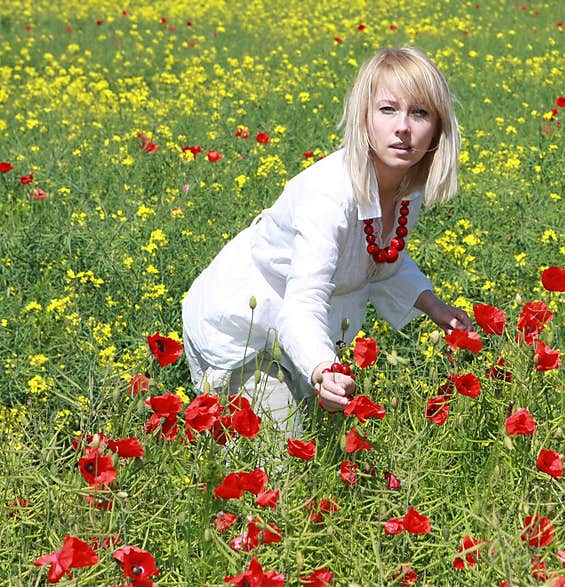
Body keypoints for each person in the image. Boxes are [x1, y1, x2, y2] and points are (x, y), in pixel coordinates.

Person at [181, 46, 473, 437]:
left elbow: (382, 259)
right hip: (242, 330)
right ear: (364, 118)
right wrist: (322, 367)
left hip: (299, 332)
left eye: (419, 112)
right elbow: (304, 300)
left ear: (437, 127)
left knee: (325, 450)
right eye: (387, 109)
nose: (403, 127)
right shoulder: (329, 195)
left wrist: (433, 305)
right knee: (278, 460)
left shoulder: (406, 189)